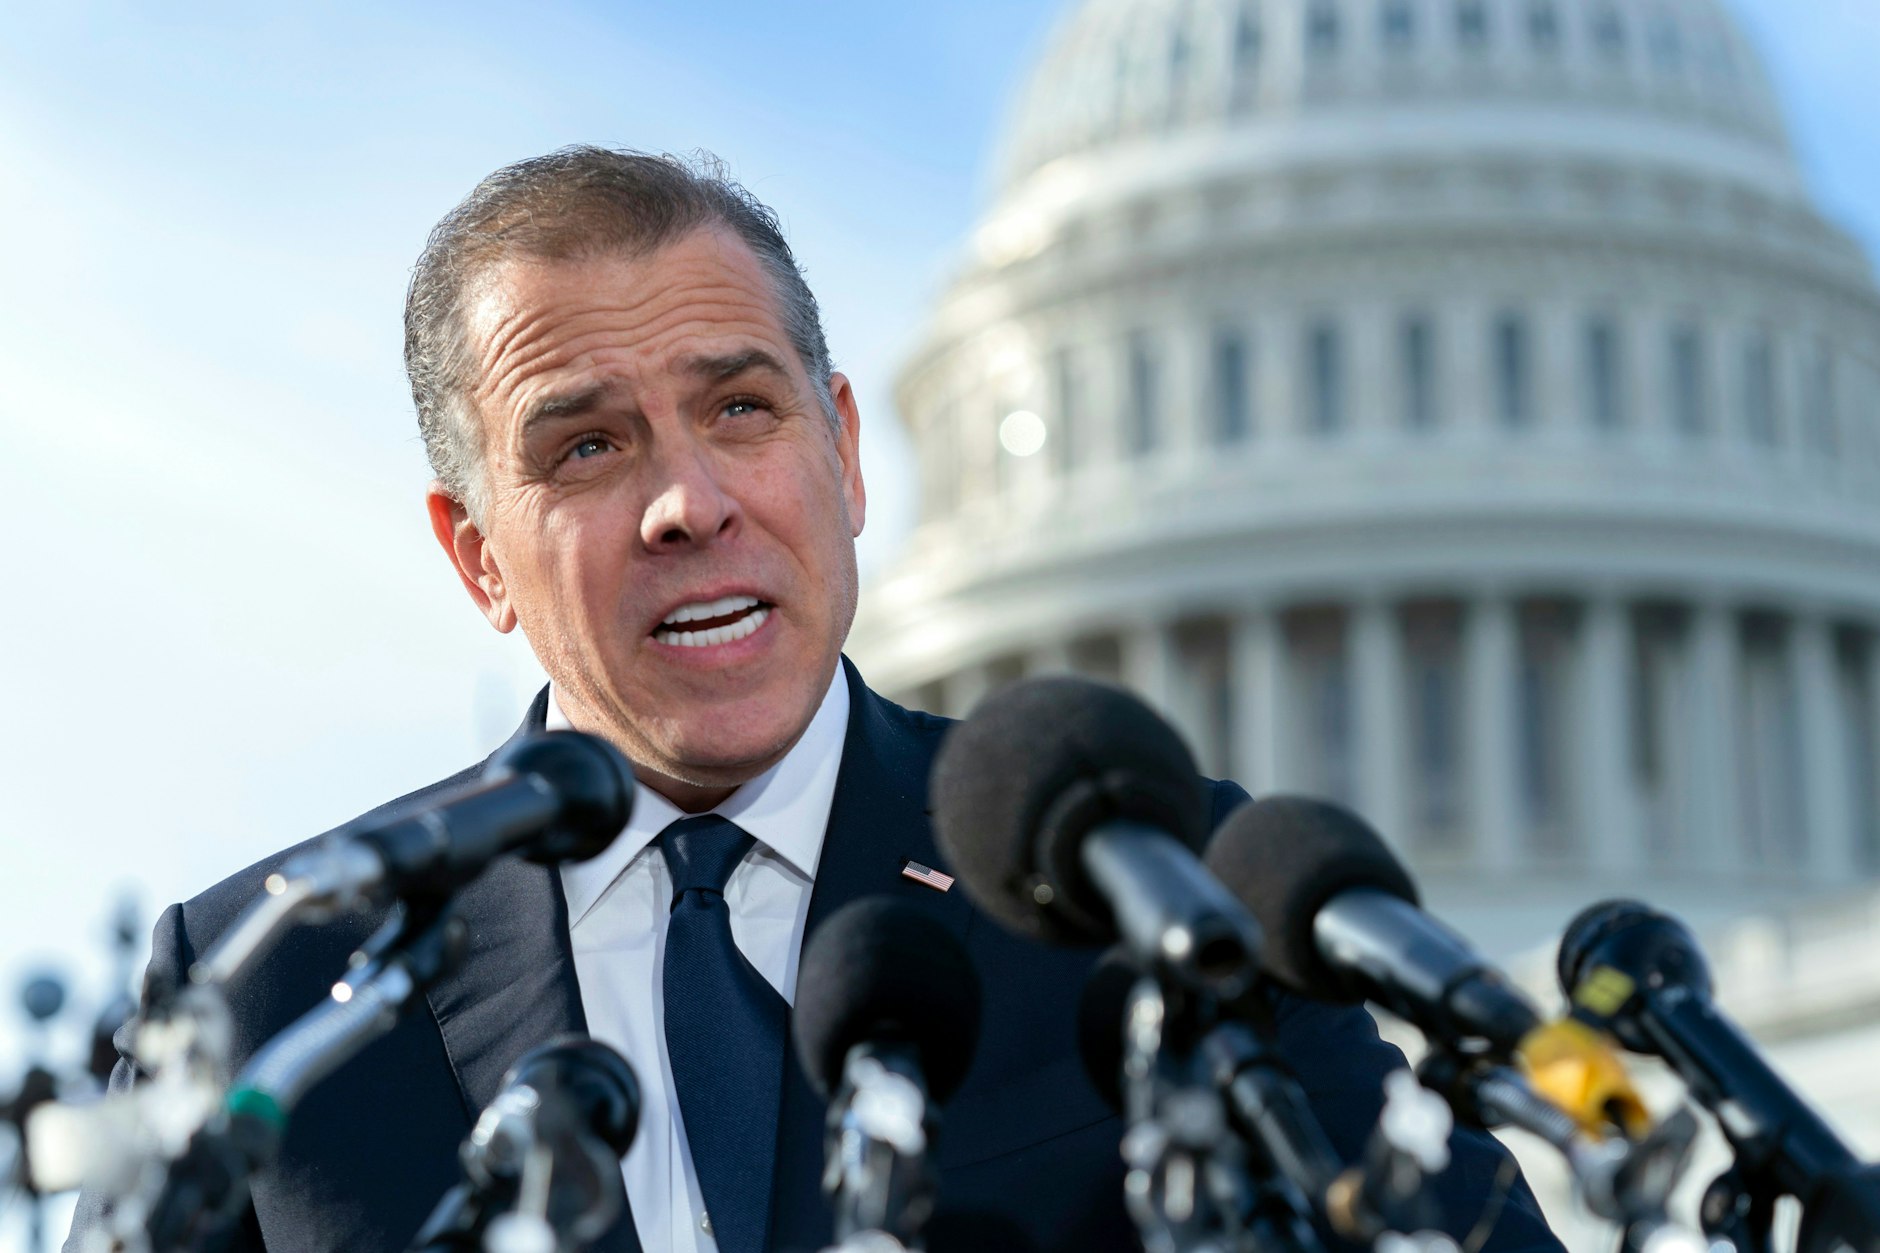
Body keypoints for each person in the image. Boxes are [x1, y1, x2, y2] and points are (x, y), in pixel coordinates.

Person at [69, 147, 1562, 1253]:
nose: (688, 502)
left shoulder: (1153, 892)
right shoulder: (271, 982)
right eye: (585, 447)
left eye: (740, 408)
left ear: (844, 455)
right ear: (478, 556)